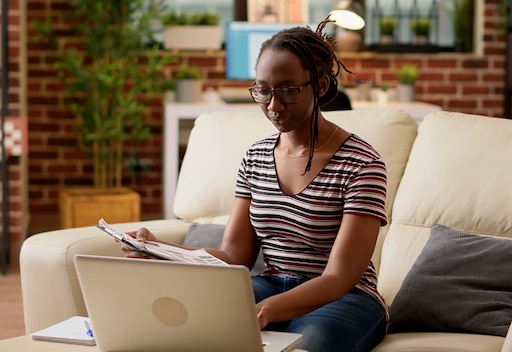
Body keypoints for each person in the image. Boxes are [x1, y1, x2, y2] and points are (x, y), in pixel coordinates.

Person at [123, 18, 388, 352]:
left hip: (345, 297)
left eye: (289, 91)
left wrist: (264, 311)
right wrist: (159, 250)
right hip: (269, 285)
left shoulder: (362, 163)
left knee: (310, 344)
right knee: (187, 326)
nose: (273, 106)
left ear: (320, 86)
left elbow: (339, 277)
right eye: (263, 91)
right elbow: (234, 256)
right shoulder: (257, 157)